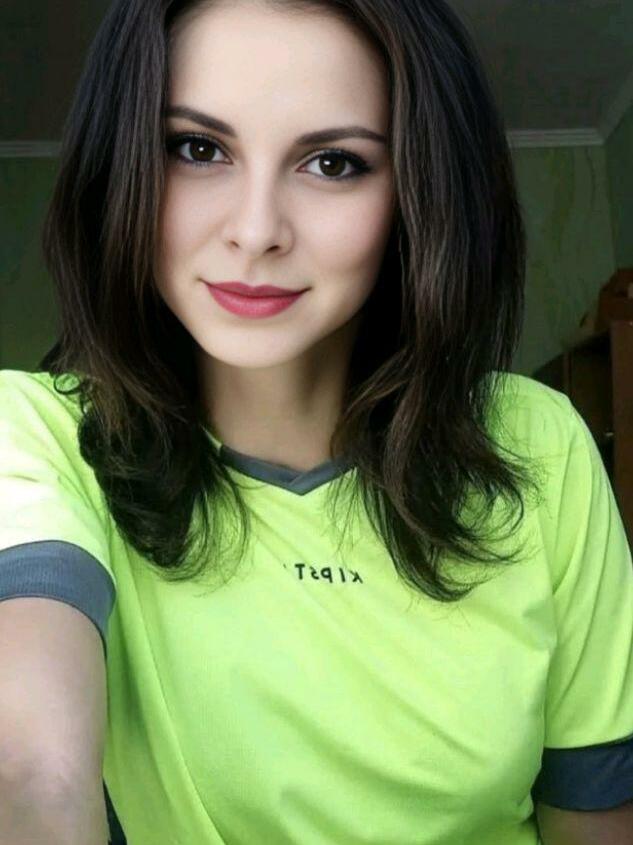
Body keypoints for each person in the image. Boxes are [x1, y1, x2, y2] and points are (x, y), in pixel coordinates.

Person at [1, 0, 632, 843]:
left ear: (416, 191)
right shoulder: (39, 434)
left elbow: (594, 820)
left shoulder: (538, 444)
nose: (255, 231)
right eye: (197, 149)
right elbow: (31, 770)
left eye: (333, 163)